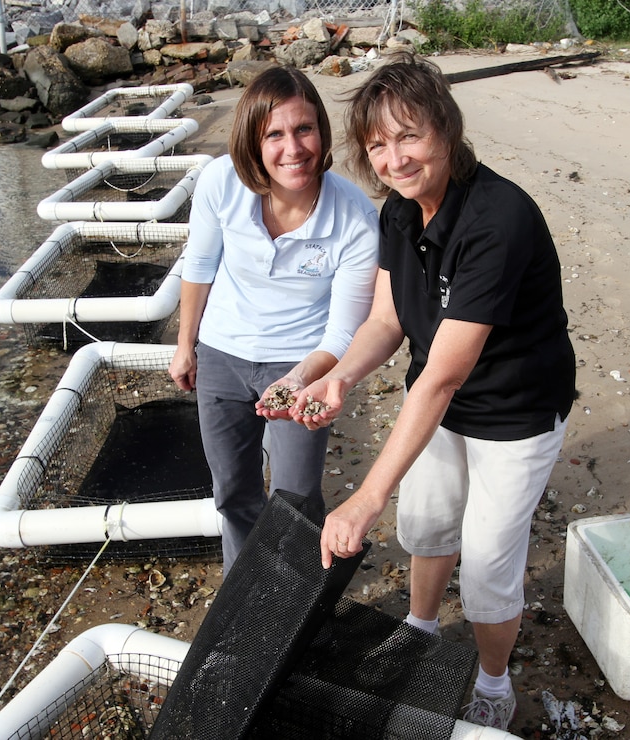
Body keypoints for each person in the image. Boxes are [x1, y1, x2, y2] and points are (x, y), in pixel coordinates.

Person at [281, 53, 576, 731]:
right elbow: (386, 319)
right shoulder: (400, 214)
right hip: (439, 404)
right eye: (378, 146)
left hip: (515, 411)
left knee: (489, 567)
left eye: (408, 136)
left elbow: (444, 374)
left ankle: (495, 683)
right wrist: (339, 376)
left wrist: (364, 498)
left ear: (446, 127)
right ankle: (418, 626)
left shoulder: (498, 220)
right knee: (429, 523)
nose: (394, 159)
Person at [169, 66, 379, 574]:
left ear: (322, 133)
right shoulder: (221, 181)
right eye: (275, 134)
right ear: (252, 142)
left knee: (297, 497)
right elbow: (199, 266)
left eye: (304, 129)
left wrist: (300, 378)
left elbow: (345, 330)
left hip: (301, 358)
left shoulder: (354, 216)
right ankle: (243, 590)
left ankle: (293, 596)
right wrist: (186, 343)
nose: (294, 148)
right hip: (222, 351)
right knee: (232, 489)